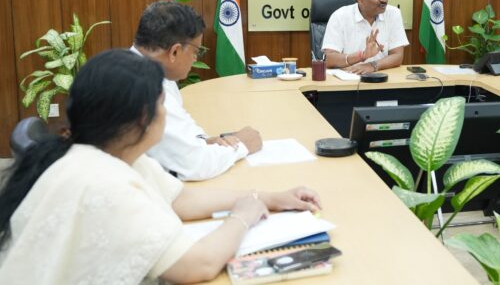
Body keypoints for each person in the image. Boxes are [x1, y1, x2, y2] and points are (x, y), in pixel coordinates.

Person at [0, 50, 321, 283]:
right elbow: (198, 265)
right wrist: (243, 217)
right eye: (162, 104)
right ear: (143, 118)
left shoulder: (104, 153)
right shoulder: (105, 182)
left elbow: (181, 199)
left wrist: (268, 198)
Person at [132, 1, 263, 180]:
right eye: (196, 52)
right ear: (175, 52)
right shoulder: (146, 87)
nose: (195, 59)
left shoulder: (147, 68)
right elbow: (194, 165)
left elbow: (180, 125)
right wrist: (242, 145)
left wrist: (205, 141)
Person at [322, 0, 409, 74]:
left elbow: (397, 56)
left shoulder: (393, 13)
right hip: (350, 76)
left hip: (383, 76)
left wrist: (373, 65)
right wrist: (361, 56)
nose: (384, 0)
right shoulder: (340, 16)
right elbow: (329, 59)